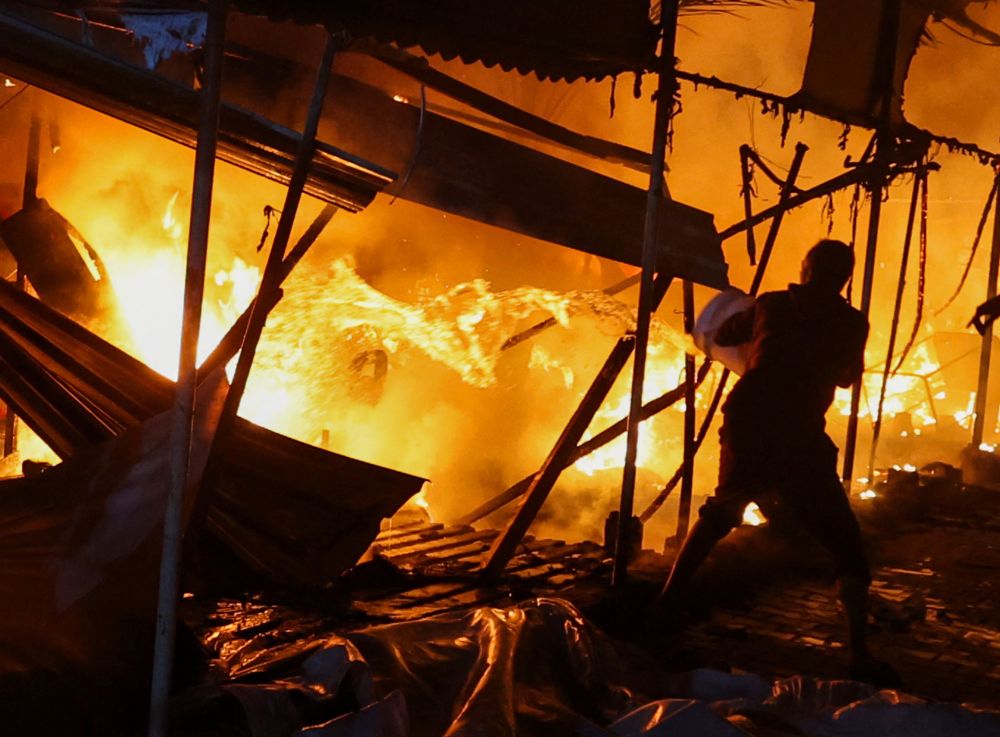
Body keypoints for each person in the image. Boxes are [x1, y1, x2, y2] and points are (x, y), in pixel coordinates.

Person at [652, 239, 898, 685]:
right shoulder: (850, 322)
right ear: (844, 278)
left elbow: (724, 335)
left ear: (804, 269)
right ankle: (859, 654)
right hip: (799, 431)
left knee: (722, 510)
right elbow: (848, 378)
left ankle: (665, 605)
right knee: (846, 545)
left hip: (751, 418)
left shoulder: (771, 304)